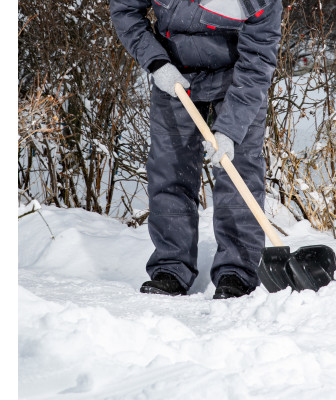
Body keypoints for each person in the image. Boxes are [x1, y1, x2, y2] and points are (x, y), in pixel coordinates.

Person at [110, 0, 282, 299]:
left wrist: (230, 129)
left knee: (238, 169)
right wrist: (156, 62)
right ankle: (171, 266)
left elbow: (257, 61)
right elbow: (124, 9)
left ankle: (237, 272)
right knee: (169, 170)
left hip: (236, 78)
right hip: (173, 72)